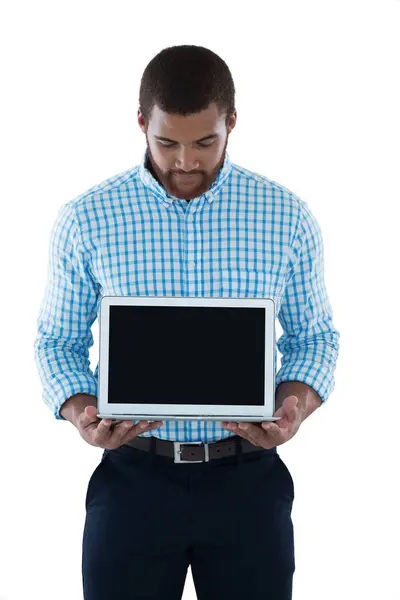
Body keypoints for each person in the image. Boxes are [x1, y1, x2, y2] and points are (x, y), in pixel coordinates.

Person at [34, 44, 340, 600]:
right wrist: (82, 412)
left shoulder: (286, 217)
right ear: (141, 124)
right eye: (166, 141)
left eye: (205, 142)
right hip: (132, 481)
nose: (185, 162)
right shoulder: (86, 219)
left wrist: (293, 408)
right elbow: (57, 341)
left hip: (249, 482)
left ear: (232, 124)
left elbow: (314, 337)